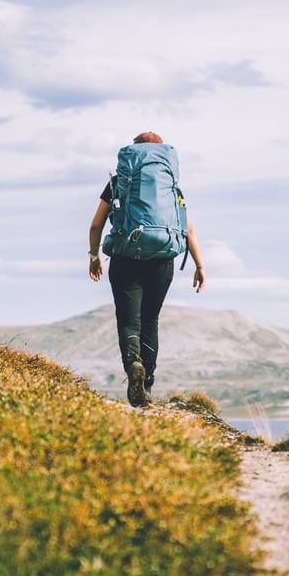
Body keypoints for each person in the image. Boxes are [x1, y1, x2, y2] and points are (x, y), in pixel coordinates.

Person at [88, 131, 205, 406]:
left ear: (134, 152)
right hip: (162, 261)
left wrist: (94, 256)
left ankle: (133, 364)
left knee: (129, 320)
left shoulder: (118, 182)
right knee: (150, 321)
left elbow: (96, 225)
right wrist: (199, 265)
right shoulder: (171, 185)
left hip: (125, 258)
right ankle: (147, 386)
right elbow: (188, 228)